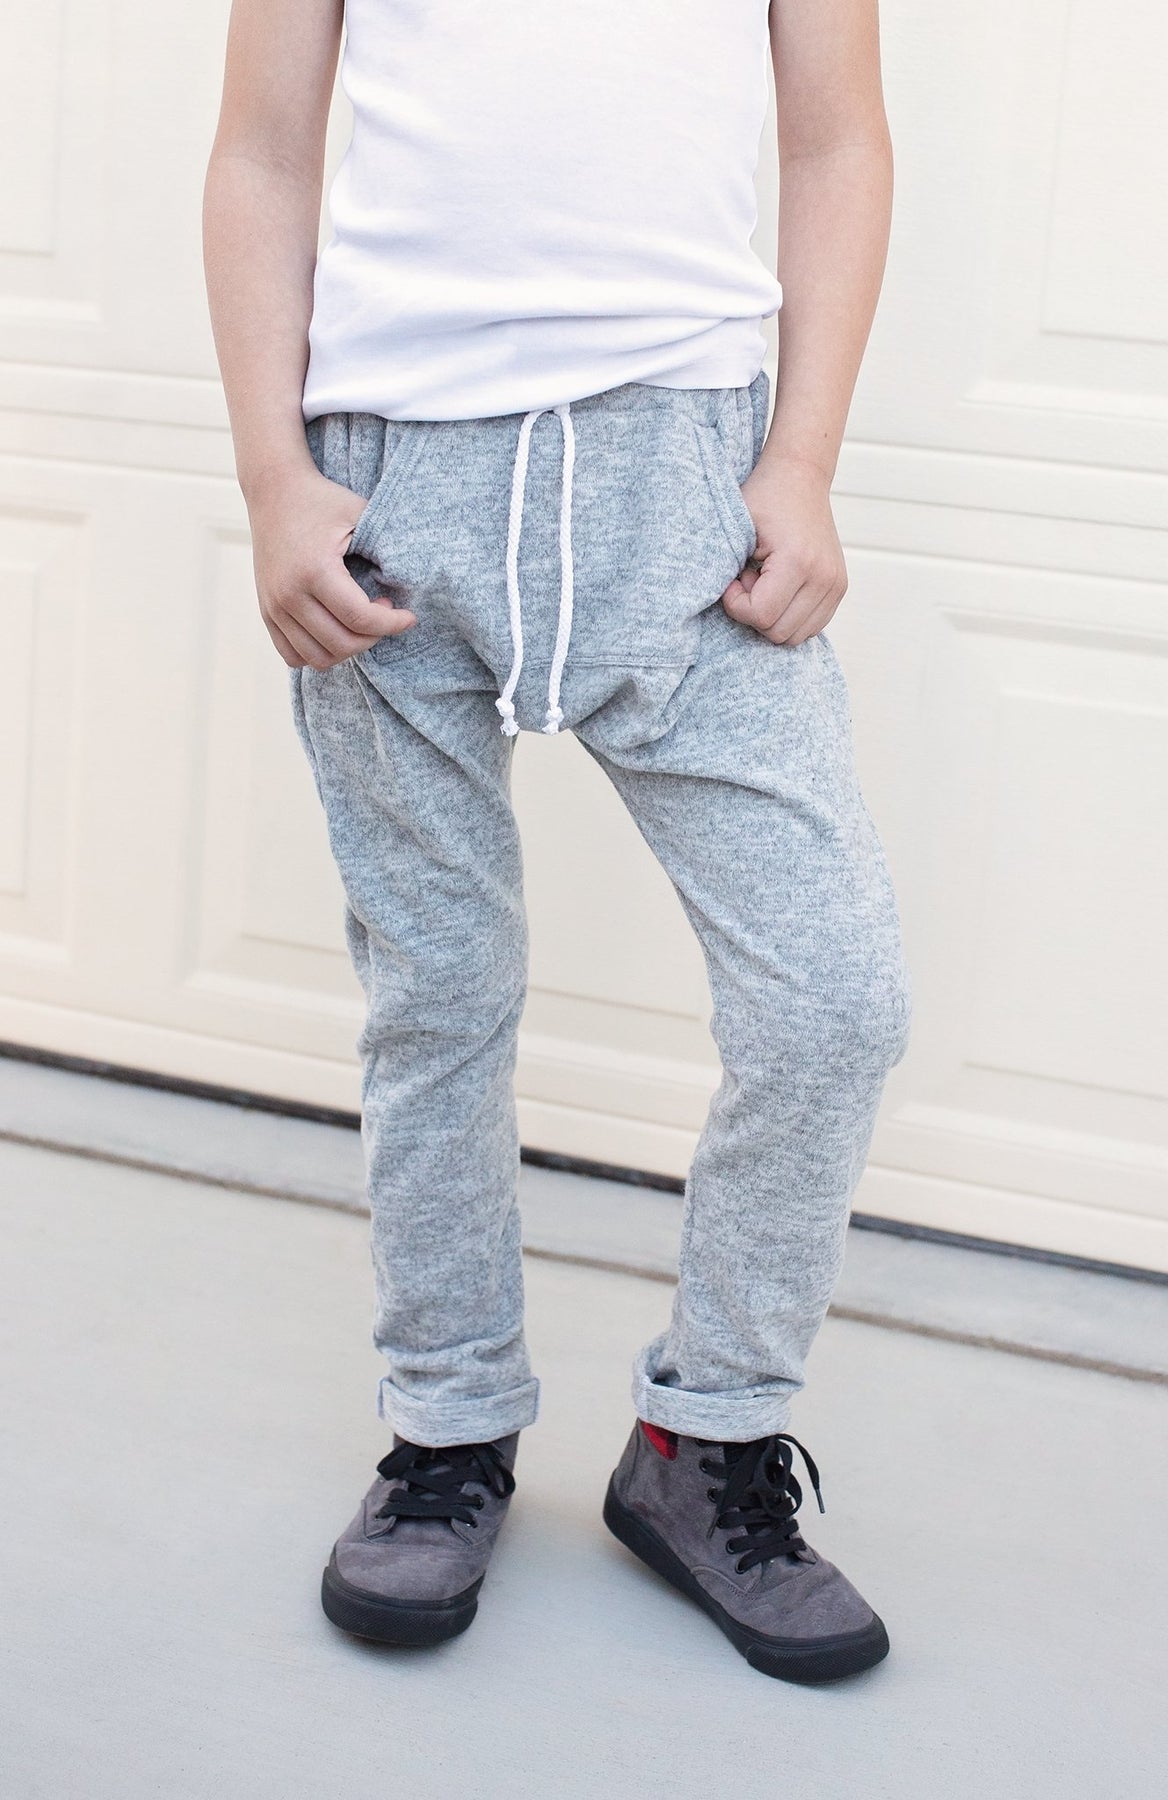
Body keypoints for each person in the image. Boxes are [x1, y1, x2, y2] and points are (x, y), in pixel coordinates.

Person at [203, 0, 910, 1684]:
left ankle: (704, 1441)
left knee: (834, 1000)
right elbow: (262, 151)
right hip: (392, 484)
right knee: (439, 995)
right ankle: (448, 1425)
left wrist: (804, 460)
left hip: (687, 483)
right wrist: (272, 479)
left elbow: (837, 139)